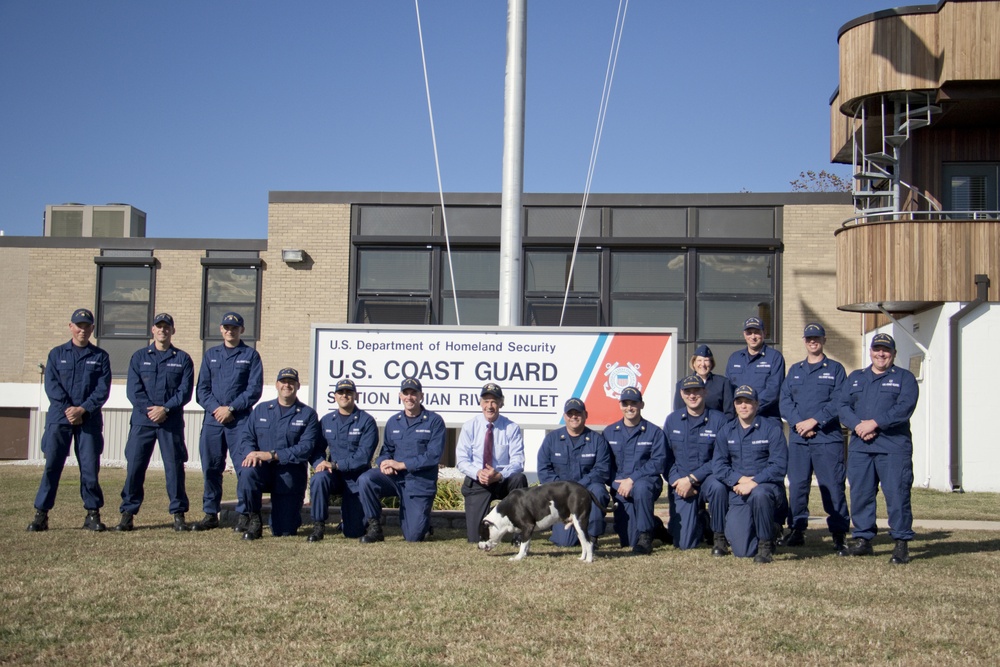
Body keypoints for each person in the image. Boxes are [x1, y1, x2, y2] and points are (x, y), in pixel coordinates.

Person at [27, 308, 112, 533]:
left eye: (87, 326)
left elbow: (102, 390)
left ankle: (92, 514)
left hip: (89, 420)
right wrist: (68, 409)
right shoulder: (56, 354)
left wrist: (83, 409)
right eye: (78, 325)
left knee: (89, 469)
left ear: (92, 329)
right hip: (59, 419)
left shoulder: (100, 357)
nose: (82, 330)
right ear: (71, 327)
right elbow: (52, 386)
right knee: (52, 467)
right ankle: (41, 515)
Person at [839, 333, 919, 565]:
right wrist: (857, 425)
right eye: (877, 349)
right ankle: (863, 540)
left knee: (897, 495)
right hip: (860, 448)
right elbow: (842, 406)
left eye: (886, 350)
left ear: (893, 354)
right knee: (861, 495)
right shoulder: (856, 377)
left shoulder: (905, 378)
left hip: (893, 448)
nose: (881, 354)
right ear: (871, 351)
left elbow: (904, 408)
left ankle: (901, 543)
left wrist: (874, 423)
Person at [114, 313, 195, 532]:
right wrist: (151, 411)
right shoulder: (139, 357)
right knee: (135, 468)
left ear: (172, 331)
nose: (162, 331)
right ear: (152, 330)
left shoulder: (183, 359)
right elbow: (134, 390)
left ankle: (178, 515)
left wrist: (165, 409)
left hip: (170, 422)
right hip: (143, 421)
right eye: (159, 327)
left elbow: (184, 392)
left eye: (166, 327)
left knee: (174, 468)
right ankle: (127, 514)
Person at [778, 322, 849, 554]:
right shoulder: (795, 370)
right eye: (809, 338)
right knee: (797, 486)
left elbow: (839, 401)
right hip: (799, 439)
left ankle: (839, 534)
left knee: (832, 487)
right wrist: (800, 423)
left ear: (824, 341)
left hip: (827, 438)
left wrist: (814, 421)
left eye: (816, 338)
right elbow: (785, 401)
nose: (812, 341)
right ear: (804, 341)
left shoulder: (836, 369)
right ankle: (797, 530)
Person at [191, 311, 263, 532]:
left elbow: (254, 390)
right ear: (221, 329)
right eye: (226, 327)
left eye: (234, 327)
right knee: (211, 467)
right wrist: (217, 410)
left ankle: (244, 514)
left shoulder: (250, 356)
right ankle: (210, 513)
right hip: (213, 421)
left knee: (244, 468)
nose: (230, 330)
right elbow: (202, 390)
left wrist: (231, 408)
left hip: (240, 421)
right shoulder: (211, 355)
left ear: (241, 330)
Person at [235, 368, 321, 540]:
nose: (287, 385)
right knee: (246, 472)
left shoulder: (307, 414)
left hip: (289, 475)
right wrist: (251, 453)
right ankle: (254, 519)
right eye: (283, 381)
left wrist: (273, 455)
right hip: (262, 470)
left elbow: (306, 447)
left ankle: (283, 519)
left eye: (291, 382)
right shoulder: (261, 410)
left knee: (284, 530)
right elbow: (246, 437)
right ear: (276, 385)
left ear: (297, 386)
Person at [357, 378, 446, 543]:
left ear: (421, 396)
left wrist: (401, 464)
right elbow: (386, 451)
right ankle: (375, 527)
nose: (409, 397)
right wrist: (384, 463)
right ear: (400, 395)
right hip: (395, 478)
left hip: (418, 481)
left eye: (414, 393)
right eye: (406, 393)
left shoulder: (434, 421)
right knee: (366, 479)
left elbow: (433, 456)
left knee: (413, 537)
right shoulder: (394, 421)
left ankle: (423, 523)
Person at [712, 385, 788, 563]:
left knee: (759, 495)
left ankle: (765, 545)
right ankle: (771, 528)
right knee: (742, 550)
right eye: (739, 402)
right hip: (738, 490)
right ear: (735, 405)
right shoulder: (726, 431)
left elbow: (779, 465)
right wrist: (740, 480)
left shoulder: (771, 429)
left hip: (767, 488)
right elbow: (718, 465)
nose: (743, 406)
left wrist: (754, 482)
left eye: (748, 402)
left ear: (757, 404)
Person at [663, 374, 730, 554]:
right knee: (684, 544)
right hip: (681, 482)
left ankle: (718, 536)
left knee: (718, 487)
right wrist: (677, 480)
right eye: (688, 392)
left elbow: (720, 458)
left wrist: (692, 479)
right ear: (682, 395)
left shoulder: (719, 420)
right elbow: (666, 458)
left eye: (696, 391)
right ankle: (701, 521)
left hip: (708, 479)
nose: (692, 395)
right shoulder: (672, 420)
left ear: (705, 392)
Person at [307, 378, 379, 542]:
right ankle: (318, 525)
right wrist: (319, 464)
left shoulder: (366, 421)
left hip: (356, 478)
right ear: (335, 396)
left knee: (354, 532)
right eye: (341, 392)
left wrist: (335, 464)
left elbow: (363, 457)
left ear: (355, 395)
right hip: (334, 476)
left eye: (348, 392)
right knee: (318, 478)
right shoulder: (326, 421)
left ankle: (352, 521)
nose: (344, 395)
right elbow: (317, 449)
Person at [455, 382, 528, 543]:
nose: (490, 406)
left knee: (519, 479)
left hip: (502, 480)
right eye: (486, 401)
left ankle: (520, 534)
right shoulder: (469, 426)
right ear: (480, 403)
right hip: (478, 481)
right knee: (476, 538)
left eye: (494, 401)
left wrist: (500, 475)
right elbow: (461, 460)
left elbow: (518, 461)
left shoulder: (511, 428)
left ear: (501, 403)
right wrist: (478, 473)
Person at [537, 398, 610, 548]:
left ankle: (592, 537)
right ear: (565, 417)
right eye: (570, 414)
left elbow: (602, 469)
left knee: (599, 490)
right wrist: (563, 490)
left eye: (578, 413)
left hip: (587, 492)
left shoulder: (597, 440)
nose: (574, 417)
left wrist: (578, 488)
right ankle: (570, 531)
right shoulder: (552, 439)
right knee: (565, 542)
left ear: (585, 415)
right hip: (560, 496)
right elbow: (544, 470)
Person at [602, 387, 667, 555]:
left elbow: (658, 462)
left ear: (641, 405)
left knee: (641, 488)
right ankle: (655, 525)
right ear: (620, 405)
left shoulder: (654, 432)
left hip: (647, 483)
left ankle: (646, 537)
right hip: (620, 487)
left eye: (634, 403)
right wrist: (618, 484)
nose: (629, 407)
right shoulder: (609, 432)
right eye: (625, 403)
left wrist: (632, 480)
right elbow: (605, 465)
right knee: (628, 541)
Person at [725, 317, 785, 419]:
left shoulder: (774, 357)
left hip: (766, 417)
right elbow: (728, 389)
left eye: (756, 332)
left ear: (764, 333)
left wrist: (752, 408)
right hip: (739, 417)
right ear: (744, 334)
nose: (753, 337)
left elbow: (773, 389)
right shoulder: (734, 358)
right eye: (749, 333)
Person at [672, 344, 734, 418]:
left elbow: (729, 413)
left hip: (716, 427)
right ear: (694, 363)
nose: (703, 364)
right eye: (699, 360)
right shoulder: (682, 384)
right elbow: (678, 412)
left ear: (711, 363)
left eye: (706, 360)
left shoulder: (723, 383)